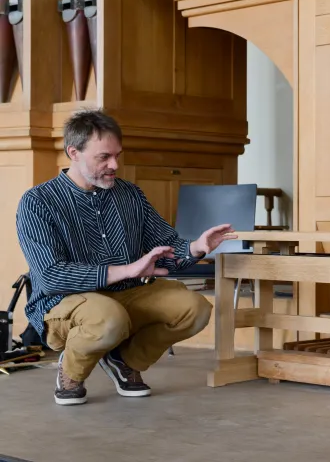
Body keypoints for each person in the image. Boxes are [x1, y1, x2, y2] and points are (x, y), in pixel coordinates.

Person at [15, 109, 237, 406]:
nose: (114, 165)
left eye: (118, 155)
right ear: (74, 153)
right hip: (62, 304)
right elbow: (52, 276)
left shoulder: (130, 195)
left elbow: (167, 249)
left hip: (125, 296)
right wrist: (127, 269)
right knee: (108, 317)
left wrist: (196, 247)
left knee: (193, 308)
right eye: (103, 157)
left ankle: (124, 361)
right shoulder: (37, 202)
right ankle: (71, 372)